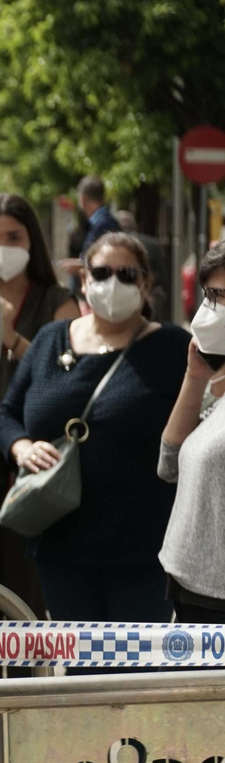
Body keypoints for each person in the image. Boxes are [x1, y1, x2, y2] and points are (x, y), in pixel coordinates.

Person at [0, 233, 186, 653]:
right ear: (83, 281)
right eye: (100, 272)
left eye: (126, 274)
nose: (112, 282)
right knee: (80, 675)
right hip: (60, 541)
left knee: (131, 676)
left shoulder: (173, 348)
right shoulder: (49, 340)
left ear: (146, 283)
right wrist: (21, 447)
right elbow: (6, 415)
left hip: (141, 547)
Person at [0, 195, 77, 617]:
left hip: (34, 459)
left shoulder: (55, 300)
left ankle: (30, 679)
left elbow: (65, 374)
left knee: (26, 589)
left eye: (13, 236)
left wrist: (10, 336)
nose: (2, 247)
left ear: (33, 239)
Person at [160, 243, 225, 624]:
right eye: (209, 295)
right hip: (193, 590)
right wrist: (195, 376)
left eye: (223, 297)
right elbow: (170, 463)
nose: (211, 310)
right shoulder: (217, 383)